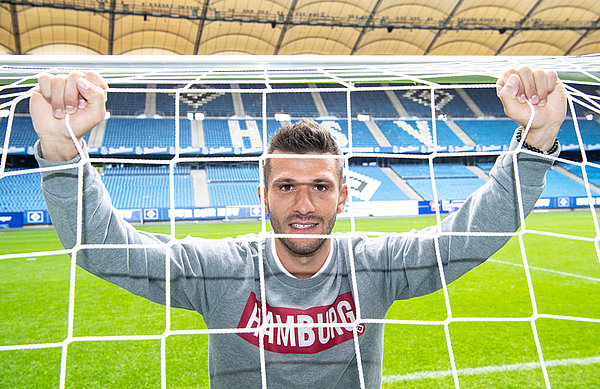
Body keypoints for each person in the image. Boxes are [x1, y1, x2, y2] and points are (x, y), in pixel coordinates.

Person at [30, 67, 566, 388]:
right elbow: (101, 248)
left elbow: (470, 234)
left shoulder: (374, 266)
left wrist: (535, 142)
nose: (304, 204)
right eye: (286, 187)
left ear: (343, 195)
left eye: (320, 186)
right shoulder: (220, 270)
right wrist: (60, 148)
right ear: (262, 196)